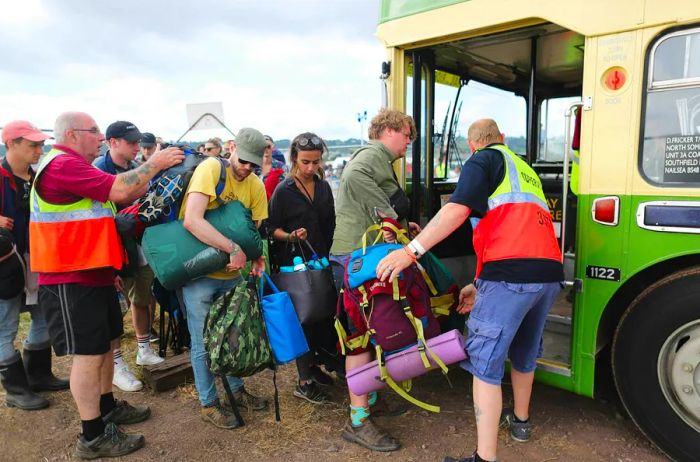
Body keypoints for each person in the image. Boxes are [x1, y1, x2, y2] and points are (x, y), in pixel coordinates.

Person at [375, 119, 563, 462]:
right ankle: (521, 421)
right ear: (503, 138)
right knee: (524, 350)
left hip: (511, 273)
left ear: (473, 145)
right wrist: (479, 284)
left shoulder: (484, 159)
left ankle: (484, 458)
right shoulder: (525, 169)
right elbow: (509, 227)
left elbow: (456, 210)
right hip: (548, 273)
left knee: (484, 364)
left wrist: (409, 251)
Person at [31, 111, 184, 459]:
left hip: (93, 271)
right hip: (69, 276)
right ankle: (92, 435)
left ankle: (106, 407)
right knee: (87, 355)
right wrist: (156, 162)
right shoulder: (62, 165)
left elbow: (105, 206)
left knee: (101, 348)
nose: (100, 138)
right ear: (72, 135)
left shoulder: (74, 166)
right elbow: (118, 188)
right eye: (94, 131)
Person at [330, 109, 419, 452]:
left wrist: (398, 226)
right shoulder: (372, 155)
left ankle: (367, 401)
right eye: (407, 134)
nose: (408, 142)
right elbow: (352, 178)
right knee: (360, 340)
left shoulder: (380, 158)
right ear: (390, 130)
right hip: (355, 259)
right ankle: (358, 420)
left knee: (373, 333)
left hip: (360, 257)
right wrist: (389, 214)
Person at [180, 127, 268, 429]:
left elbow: (254, 231)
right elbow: (192, 220)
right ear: (232, 148)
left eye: (253, 164)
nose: (246, 168)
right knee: (202, 342)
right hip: (200, 274)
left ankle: (235, 389)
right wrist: (231, 247)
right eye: (243, 160)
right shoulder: (210, 168)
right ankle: (209, 403)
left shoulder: (255, 185)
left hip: (231, 275)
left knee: (232, 336)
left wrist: (258, 257)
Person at [0, 120, 68, 411]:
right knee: (6, 325)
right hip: (6, 263)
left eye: (41, 144)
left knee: (43, 316)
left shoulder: (37, 177)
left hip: (39, 259)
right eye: (33, 145)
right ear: (11, 144)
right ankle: (15, 390)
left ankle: (38, 375)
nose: (40, 149)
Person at [94, 121, 164, 395]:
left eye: (138, 142)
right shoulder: (101, 168)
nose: (137, 147)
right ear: (112, 142)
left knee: (141, 297)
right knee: (113, 310)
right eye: (131, 142)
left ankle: (143, 349)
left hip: (136, 242)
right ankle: (116, 365)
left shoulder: (134, 166)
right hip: (113, 248)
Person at [268, 132, 336, 404]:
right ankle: (304, 382)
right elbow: (270, 230)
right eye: (305, 162)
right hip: (292, 265)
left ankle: (315, 367)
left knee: (322, 317)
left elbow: (330, 224)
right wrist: (291, 236)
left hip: (319, 261)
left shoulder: (323, 187)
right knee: (303, 321)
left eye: (316, 162)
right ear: (294, 158)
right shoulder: (284, 191)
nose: (310, 168)